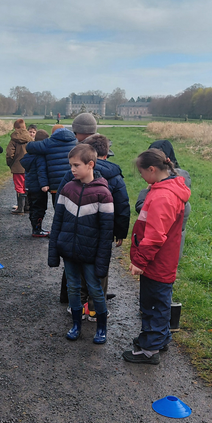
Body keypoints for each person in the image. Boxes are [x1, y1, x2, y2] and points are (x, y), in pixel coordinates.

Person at [123, 148, 191, 365]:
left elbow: (154, 235)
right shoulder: (163, 188)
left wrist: (139, 261)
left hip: (156, 261)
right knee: (159, 301)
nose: (141, 176)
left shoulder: (163, 196)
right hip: (161, 260)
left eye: (142, 172)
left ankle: (149, 349)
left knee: (153, 305)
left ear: (152, 169)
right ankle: (160, 338)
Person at [56, 133, 130, 317]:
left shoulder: (72, 174)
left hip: (76, 229)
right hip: (102, 232)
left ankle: (78, 304)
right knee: (99, 269)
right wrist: (120, 232)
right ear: (105, 154)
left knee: (77, 268)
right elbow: (122, 206)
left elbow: (60, 199)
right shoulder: (115, 176)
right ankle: (94, 307)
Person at [48, 143, 114, 344]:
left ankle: (101, 328)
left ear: (90, 164)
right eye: (71, 165)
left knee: (95, 290)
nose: (72, 169)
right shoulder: (68, 189)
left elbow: (106, 233)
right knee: (73, 288)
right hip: (69, 251)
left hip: (91, 254)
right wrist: (54, 251)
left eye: (76, 165)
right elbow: (57, 222)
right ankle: (76, 325)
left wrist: (102, 261)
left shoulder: (103, 194)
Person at [136, 139, 191, 261]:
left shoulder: (163, 194)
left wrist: (145, 192)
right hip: (172, 249)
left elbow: (149, 216)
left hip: (157, 253)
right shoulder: (179, 186)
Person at [25, 123, 77, 207]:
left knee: (58, 208)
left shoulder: (49, 143)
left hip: (55, 185)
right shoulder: (75, 142)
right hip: (72, 182)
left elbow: (29, 147)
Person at [20, 128, 50, 237]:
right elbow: (41, 171)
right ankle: (37, 229)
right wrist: (44, 185)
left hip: (30, 186)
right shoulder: (39, 156)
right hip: (38, 187)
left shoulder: (29, 154)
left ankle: (35, 227)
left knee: (33, 208)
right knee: (40, 208)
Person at [6, 118, 32, 214]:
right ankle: (27, 207)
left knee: (19, 187)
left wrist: (10, 163)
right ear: (24, 127)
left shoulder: (14, 140)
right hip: (28, 167)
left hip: (18, 166)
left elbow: (10, 154)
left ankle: (20, 208)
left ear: (16, 128)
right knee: (27, 186)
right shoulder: (30, 139)